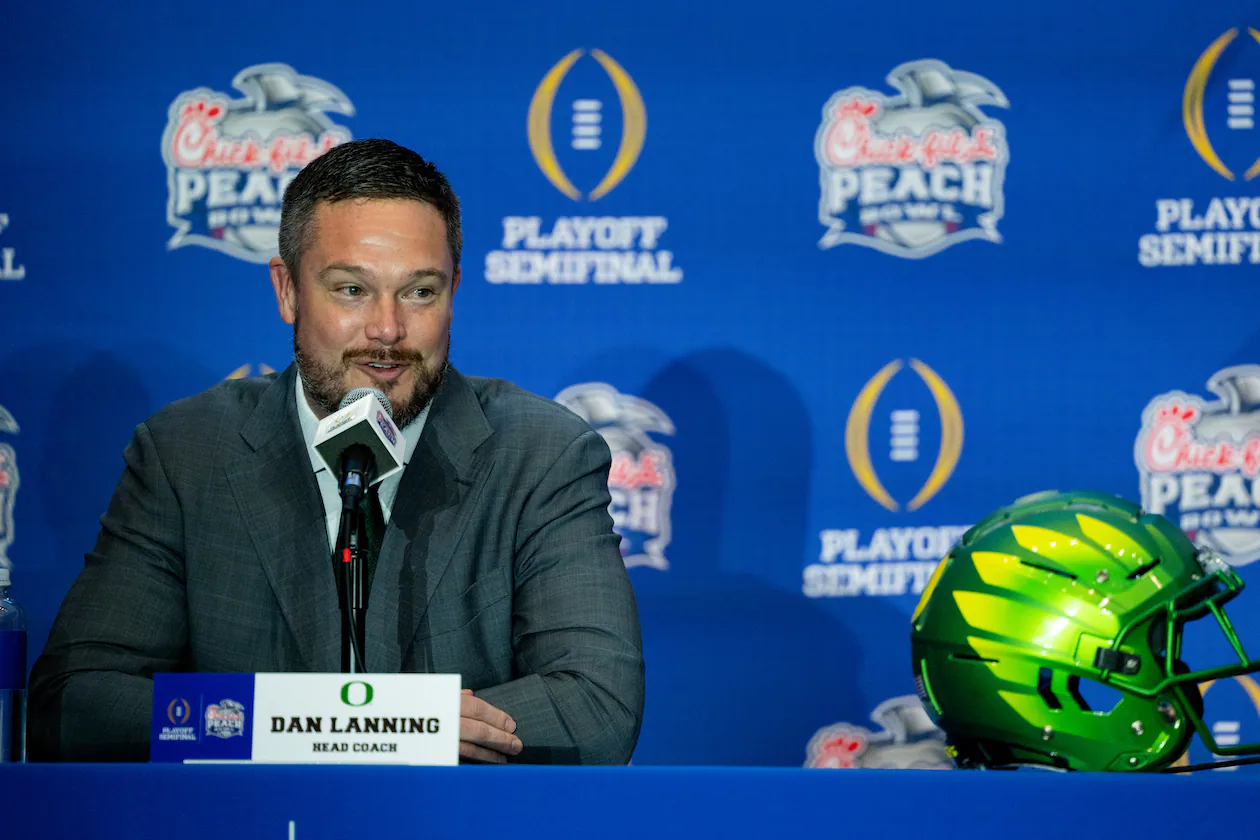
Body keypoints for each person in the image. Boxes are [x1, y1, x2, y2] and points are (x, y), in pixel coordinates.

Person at [28, 139, 645, 764]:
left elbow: (597, 708)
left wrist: (394, 732)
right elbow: (74, 704)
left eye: (420, 292)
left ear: (455, 289)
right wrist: (340, 728)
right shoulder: (187, 455)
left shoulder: (542, 456)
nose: (386, 329)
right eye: (352, 290)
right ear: (288, 290)